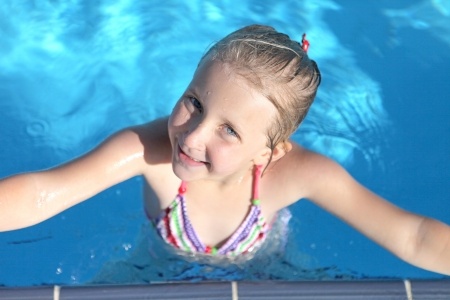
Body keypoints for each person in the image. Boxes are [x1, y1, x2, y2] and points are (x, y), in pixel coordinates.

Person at [0, 25, 449, 275]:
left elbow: (414, 236)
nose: (192, 137)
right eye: (194, 102)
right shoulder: (145, 151)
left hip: (267, 265)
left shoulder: (301, 174)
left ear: (268, 154)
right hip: (157, 264)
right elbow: (40, 194)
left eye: (229, 131)